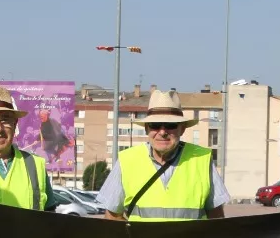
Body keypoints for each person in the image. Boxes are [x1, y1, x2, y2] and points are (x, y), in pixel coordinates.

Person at [96, 89, 229, 221]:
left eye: (170, 125)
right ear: (147, 128)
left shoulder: (202, 160)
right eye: (155, 125)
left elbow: (217, 220)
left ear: (182, 129)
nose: (162, 132)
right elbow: (112, 218)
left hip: (191, 237)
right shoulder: (127, 161)